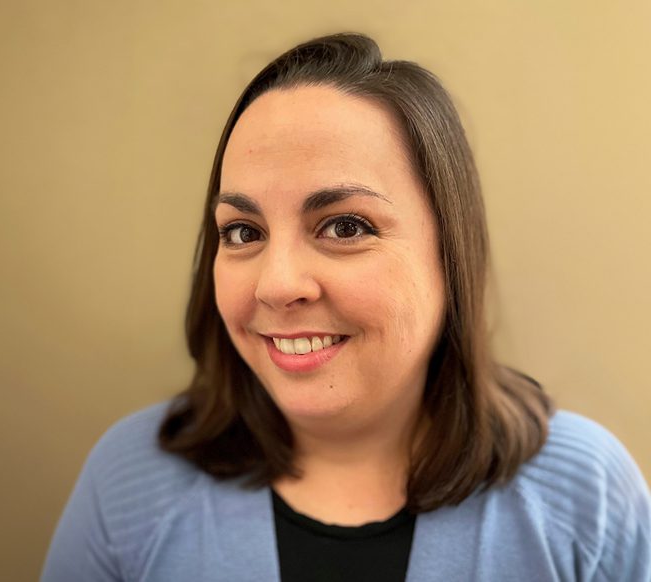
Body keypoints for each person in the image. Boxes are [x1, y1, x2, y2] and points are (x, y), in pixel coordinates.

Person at [41, 33, 650, 582]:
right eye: (243, 231)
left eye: (345, 225)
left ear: (449, 253)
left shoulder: (586, 498)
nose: (276, 286)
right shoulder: (129, 482)